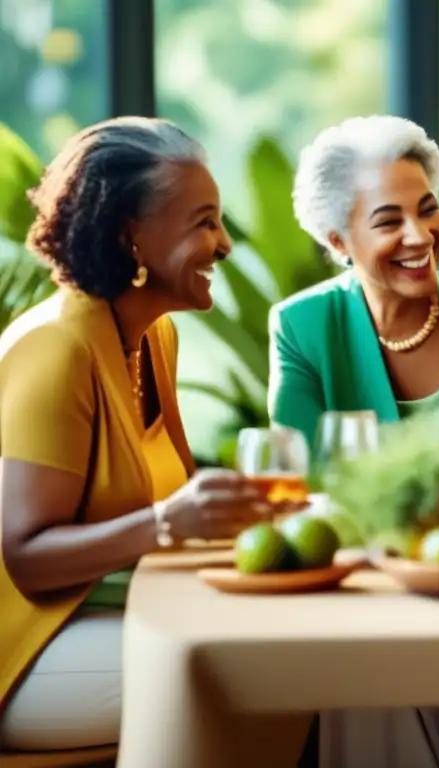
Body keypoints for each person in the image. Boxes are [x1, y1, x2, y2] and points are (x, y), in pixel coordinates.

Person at [0, 118, 279, 753]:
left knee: (305, 649)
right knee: (256, 674)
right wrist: (168, 522)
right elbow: (25, 557)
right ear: (131, 236)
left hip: (110, 619)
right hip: (26, 647)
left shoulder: (154, 336)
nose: (225, 244)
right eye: (203, 222)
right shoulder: (56, 350)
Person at [270, 115, 439, 768]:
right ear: (338, 240)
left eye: (428, 210)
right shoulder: (303, 326)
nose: (420, 237)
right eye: (388, 222)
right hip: (384, 580)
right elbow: (302, 484)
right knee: (370, 658)